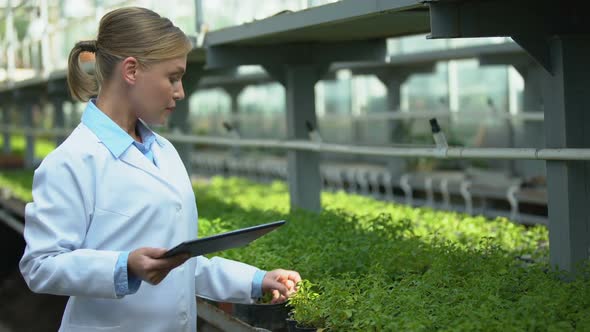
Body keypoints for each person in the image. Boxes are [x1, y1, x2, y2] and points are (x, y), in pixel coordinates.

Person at [19, 7, 300, 332]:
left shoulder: (164, 153)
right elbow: (40, 265)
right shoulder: (72, 161)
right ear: (131, 71)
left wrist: (256, 280)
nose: (180, 91)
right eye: (173, 77)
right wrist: (124, 267)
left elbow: (180, 264)